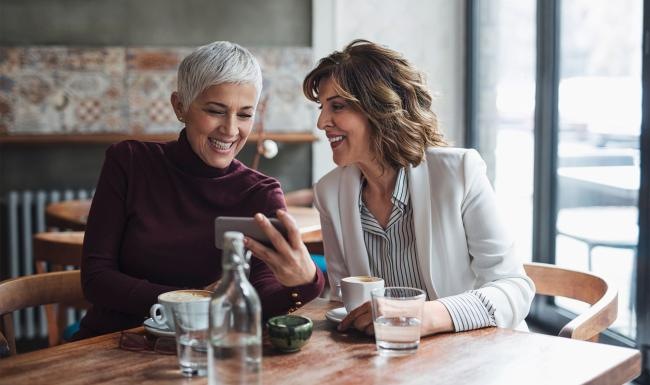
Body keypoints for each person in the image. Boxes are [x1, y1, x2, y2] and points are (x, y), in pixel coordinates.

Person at [76, 41, 324, 339]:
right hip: (114, 342)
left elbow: (261, 300)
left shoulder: (260, 193)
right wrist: (194, 301)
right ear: (180, 106)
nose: (231, 129)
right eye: (216, 111)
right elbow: (96, 279)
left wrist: (306, 281)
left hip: (206, 350)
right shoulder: (129, 162)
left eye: (245, 115)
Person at [302, 40, 534, 336]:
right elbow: (340, 300)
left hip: (476, 355)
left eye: (338, 106)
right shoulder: (329, 193)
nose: (322, 122)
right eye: (322, 108)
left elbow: (515, 288)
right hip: (385, 360)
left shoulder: (459, 172)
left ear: (380, 108)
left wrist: (425, 315)